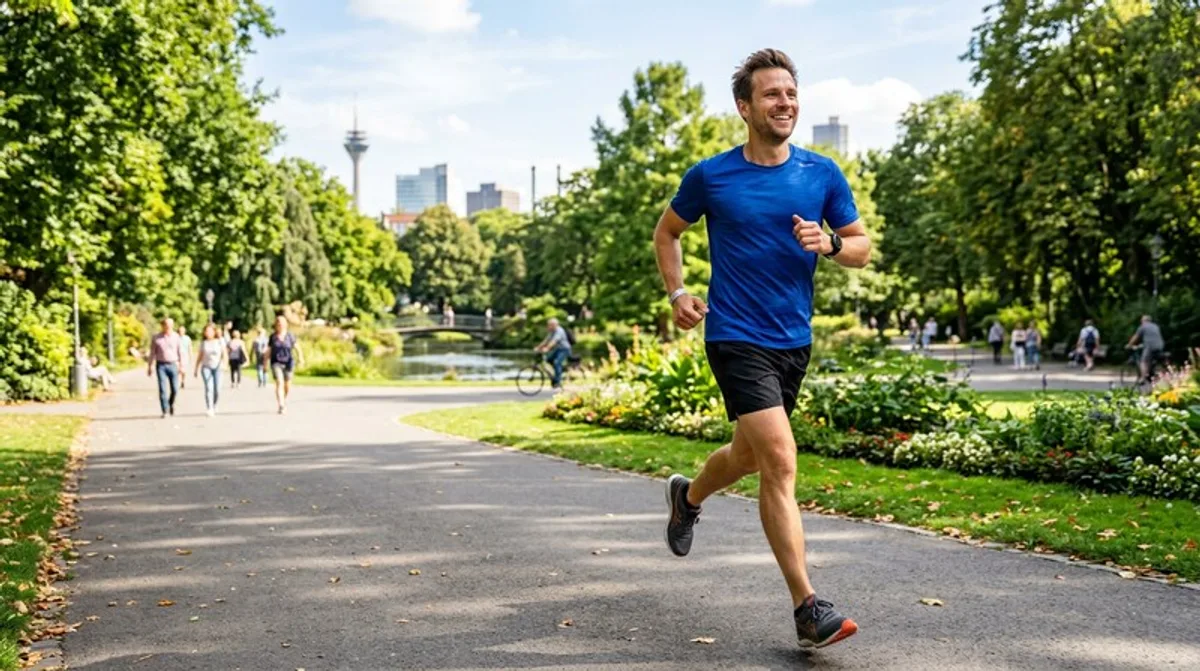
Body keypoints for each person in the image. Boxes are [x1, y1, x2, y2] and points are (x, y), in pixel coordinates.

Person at [653, 49, 871, 649]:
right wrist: (678, 291)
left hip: (792, 342)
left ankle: (688, 496)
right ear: (744, 107)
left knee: (746, 457)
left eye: (792, 94)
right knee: (779, 460)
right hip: (734, 336)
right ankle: (808, 608)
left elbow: (861, 247)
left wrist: (827, 243)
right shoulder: (711, 175)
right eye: (772, 95)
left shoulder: (821, 173)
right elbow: (667, 231)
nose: (786, 103)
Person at [266, 316, 303, 414]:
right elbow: (268, 351)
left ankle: (283, 399)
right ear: (276, 325)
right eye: (278, 323)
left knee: (287, 386)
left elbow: (297, 347)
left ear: (285, 325)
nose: (280, 325)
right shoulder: (273, 337)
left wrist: (300, 358)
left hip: (288, 363)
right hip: (276, 362)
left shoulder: (290, 336)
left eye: (282, 323)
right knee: (279, 382)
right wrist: (265, 363)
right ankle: (281, 404)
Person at [147, 318, 183, 417]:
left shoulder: (176, 337)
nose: (168, 327)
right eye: (166, 325)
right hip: (161, 365)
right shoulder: (156, 338)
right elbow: (152, 353)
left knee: (175, 388)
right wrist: (150, 366)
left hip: (173, 364)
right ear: (162, 326)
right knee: (162, 388)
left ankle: (171, 404)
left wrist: (181, 366)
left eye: (170, 325)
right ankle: (165, 409)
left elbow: (180, 352)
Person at [194, 323, 225, 417]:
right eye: (206, 331)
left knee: (217, 389)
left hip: (218, 367)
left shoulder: (220, 341)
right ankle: (209, 407)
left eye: (210, 331)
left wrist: (225, 364)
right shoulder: (203, 343)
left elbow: (225, 354)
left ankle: (214, 405)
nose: (208, 333)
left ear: (214, 332)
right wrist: (196, 368)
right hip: (206, 367)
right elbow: (200, 356)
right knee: (208, 387)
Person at [534, 317, 572, 389]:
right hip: (558, 349)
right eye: (548, 325)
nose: (548, 327)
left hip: (565, 349)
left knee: (556, 362)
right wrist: (538, 347)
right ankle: (558, 371)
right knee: (548, 360)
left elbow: (554, 341)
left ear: (555, 325)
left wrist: (547, 348)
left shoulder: (559, 331)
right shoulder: (552, 331)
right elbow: (546, 340)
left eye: (550, 325)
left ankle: (557, 382)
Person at [1127, 315, 1165, 382]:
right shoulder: (1155, 326)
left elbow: (1136, 337)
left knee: (1143, 361)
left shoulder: (1143, 326)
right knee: (1151, 361)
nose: (1141, 322)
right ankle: (1151, 373)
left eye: (1141, 321)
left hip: (1150, 346)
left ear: (1143, 321)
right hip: (1160, 345)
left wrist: (1129, 345)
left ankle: (1143, 378)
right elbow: (1153, 337)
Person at [177, 324, 193, 389]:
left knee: (184, 371)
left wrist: (191, 357)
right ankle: (177, 382)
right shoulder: (176, 337)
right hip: (177, 356)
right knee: (178, 370)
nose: (181, 332)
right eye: (180, 330)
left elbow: (190, 348)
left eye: (182, 330)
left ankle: (183, 381)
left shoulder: (187, 338)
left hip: (185, 356)